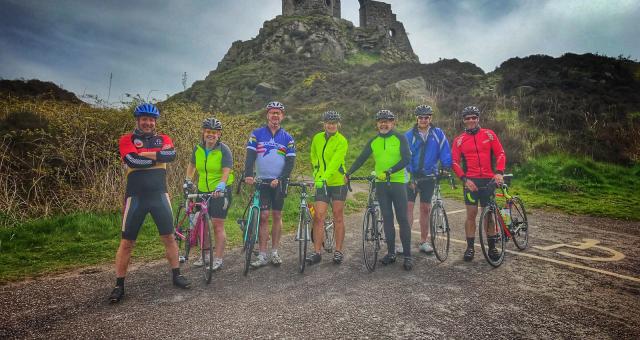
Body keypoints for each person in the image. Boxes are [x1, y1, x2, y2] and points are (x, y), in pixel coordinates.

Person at [110, 103, 189, 303]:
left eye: (151, 120)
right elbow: (132, 161)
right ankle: (119, 285)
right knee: (127, 242)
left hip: (160, 196)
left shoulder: (164, 139)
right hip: (135, 197)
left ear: (155, 121)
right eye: (144, 119)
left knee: (169, 238)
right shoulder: (127, 139)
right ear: (138, 120)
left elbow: (171, 155)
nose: (148, 123)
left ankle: (176, 275)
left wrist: (143, 155)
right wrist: (155, 157)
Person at [346, 109, 414, 270]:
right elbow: (361, 158)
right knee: (387, 219)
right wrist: (349, 173)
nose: (384, 124)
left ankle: (408, 256)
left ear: (393, 123)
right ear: (377, 124)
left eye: (387, 121)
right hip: (381, 184)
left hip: (397, 183)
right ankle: (391, 253)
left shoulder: (400, 138)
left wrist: (390, 171)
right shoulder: (374, 141)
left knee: (403, 219)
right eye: (381, 121)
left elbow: (406, 159)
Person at [244, 101, 296, 268]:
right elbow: (250, 156)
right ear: (267, 115)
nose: (275, 115)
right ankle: (263, 254)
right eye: (272, 112)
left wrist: (280, 178)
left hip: (279, 181)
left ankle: (274, 251)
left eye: (278, 113)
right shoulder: (257, 134)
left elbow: (290, 162)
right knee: (264, 216)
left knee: (277, 216)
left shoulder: (288, 138)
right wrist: (248, 175)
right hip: (262, 181)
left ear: (282, 116)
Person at [451, 106, 506, 262]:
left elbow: (500, 153)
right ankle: (469, 248)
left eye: (473, 117)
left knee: (489, 214)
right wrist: (464, 179)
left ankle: (493, 247)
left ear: (478, 118)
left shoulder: (489, 134)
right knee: (471, 214)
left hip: (488, 180)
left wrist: (499, 173)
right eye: (467, 118)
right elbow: (454, 162)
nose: (471, 120)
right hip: (471, 181)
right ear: (463, 120)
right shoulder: (459, 140)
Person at [183, 117, 234, 271]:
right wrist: (188, 180)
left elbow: (226, 170)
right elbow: (192, 165)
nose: (210, 134)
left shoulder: (224, 149)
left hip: (220, 191)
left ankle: (218, 259)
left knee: (218, 225)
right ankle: (204, 255)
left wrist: (221, 185)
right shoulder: (198, 148)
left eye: (214, 132)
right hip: (202, 190)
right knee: (200, 224)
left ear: (219, 134)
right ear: (203, 132)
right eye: (208, 131)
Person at [405, 105, 451, 254]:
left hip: (429, 176)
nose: (423, 120)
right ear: (417, 119)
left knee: (425, 209)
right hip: (413, 176)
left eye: (426, 117)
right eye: (421, 117)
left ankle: (424, 241)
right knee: (408, 208)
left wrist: (445, 166)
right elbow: (406, 156)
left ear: (430, 118)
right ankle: (405, 242)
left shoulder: (438, 133)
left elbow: (445, 150)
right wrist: (410, 174)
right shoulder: (409, 135)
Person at [306, 111, 348, 265]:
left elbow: (335, 163)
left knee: (338, 216)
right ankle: (317, 252)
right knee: (318, 216)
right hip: (321, 183)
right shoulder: (317, 138)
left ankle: (338, 251)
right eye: (328, 123)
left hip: (337, 182)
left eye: (334, 123)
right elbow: (314, 156)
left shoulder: (342, 141)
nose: (331, 125)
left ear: (338, 124)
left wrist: (324, 177)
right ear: (324, 124)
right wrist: (317, 174)